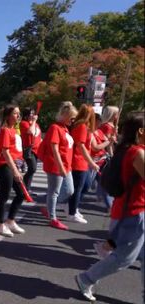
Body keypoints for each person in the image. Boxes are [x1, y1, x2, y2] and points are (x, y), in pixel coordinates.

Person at [75, 111, 144, 302]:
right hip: (132, 213)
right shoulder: (137, 153)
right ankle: (86, 278)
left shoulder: (130, 149)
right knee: (124, 258)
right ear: (140, 131)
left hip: (134, 211)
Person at [40, 102, 78, 230]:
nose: (73, 120)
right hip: (56, 165)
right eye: (72, 117)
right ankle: (52, 217)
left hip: (66, 165)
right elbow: (54, 148)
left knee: (69, 190)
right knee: (54, 192)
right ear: (64, 115)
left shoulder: (65, 128)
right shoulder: (55, 128)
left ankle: (49, 206)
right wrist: (61, 166)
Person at [0, 104, 26, 237]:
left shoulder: (15, 130)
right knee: (4, 196)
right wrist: (15, 171)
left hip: (14, 165)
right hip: (5, 166)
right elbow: (5, 152)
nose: (18, 115)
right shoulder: (5, 131)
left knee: (21, 194)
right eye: (15, 113)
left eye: (19, 113)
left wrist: (21, 166)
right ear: (8, 116)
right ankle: (0, 225)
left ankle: (10, 220)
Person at [68, 104, 100, 224]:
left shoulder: (83, 126)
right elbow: (81, 146)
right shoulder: (81, 127)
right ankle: (72, 211)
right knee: (79, 188)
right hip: (79, 160)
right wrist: (91, 162)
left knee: (85, 186)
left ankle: (73, 208)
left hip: (82, 160)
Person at [19, 108, 42, 194]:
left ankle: (27, 188)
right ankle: (23, 185)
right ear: (26, 116)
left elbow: (38, 137)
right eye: (31, 114)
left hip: (37, 150)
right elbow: (30, 132)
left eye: (33, 113)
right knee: (32, 168)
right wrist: (34, 122)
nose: (33, 115)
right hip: (29, 150)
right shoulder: (24, 123)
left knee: (32, 170)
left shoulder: (36, 125)